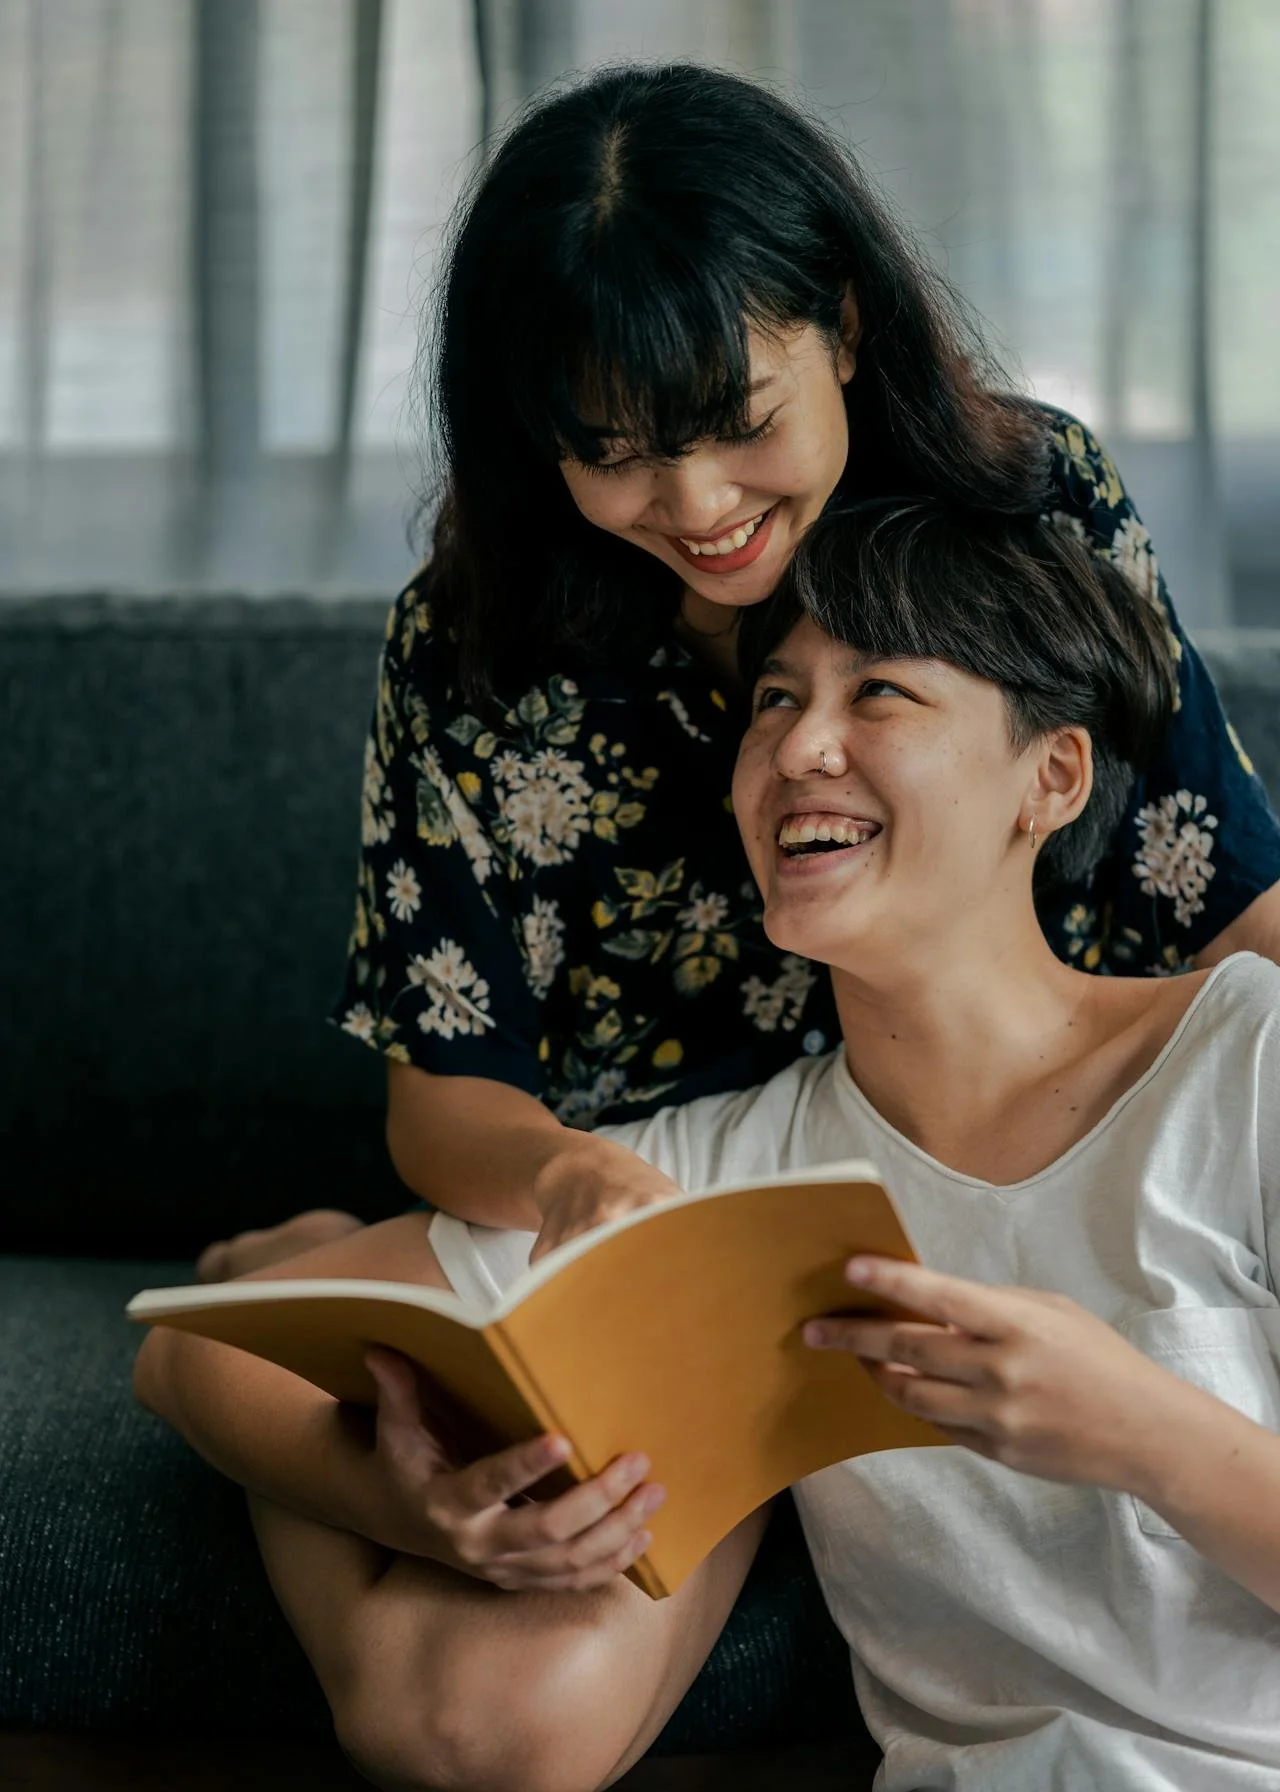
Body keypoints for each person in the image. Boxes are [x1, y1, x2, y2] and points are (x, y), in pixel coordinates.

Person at [137, 501, 1280, 1792]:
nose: (800, 746)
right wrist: (412, 1505)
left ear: (1050, 778)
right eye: (777, 702)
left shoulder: (1249, 1064)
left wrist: (1140, 1429)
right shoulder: (729, 1183)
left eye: (881, 692)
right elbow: (188, 1350)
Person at [196, 61, 1280, 1291]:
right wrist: (563, 1181)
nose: (699, 508)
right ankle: (312, 1259)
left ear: (847, 326)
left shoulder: (1023, 509)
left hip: (1021, 1161)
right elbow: (453, 1090)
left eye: (744, 421)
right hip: (661, 1212)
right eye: (613, 451)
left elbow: (1221, 892)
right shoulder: (476, 650)